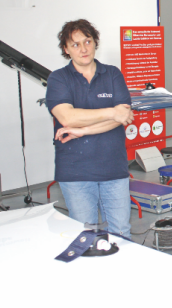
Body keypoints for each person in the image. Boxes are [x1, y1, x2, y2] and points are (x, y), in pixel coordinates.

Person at [45, 19, 134, 238]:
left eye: (87, 41)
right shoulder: (58, 78)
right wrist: (111, 112)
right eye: (75, 44)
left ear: (95, 42)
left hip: (114, 168)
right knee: (85, 236)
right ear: (66, 49)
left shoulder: (112, 74)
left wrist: (83, 130)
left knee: (121, 233)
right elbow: (67, 117)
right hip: (76, 172)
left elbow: (123, 116)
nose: (83, 49)